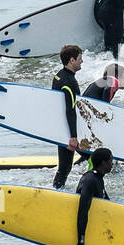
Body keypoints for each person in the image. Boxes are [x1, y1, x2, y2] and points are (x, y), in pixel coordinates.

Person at [44, 147, 116, 245]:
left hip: (89, 237)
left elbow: (109, 207)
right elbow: (82, 211)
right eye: (110, 161)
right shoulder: (90, 181)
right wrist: (80, 242)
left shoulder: (98, 179)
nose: (112, 164)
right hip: (85, 239)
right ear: (103, 163)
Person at [52, 45, 84, 190]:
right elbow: (70, 109)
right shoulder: (68, 82)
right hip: (68, 130)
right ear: (72, 60)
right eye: (79, 58)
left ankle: (57, 190)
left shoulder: (59, 75)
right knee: (66, 167)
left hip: (60, 126)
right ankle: (58, 191)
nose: (81, 61)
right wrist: (73, 136)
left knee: (64, 167)